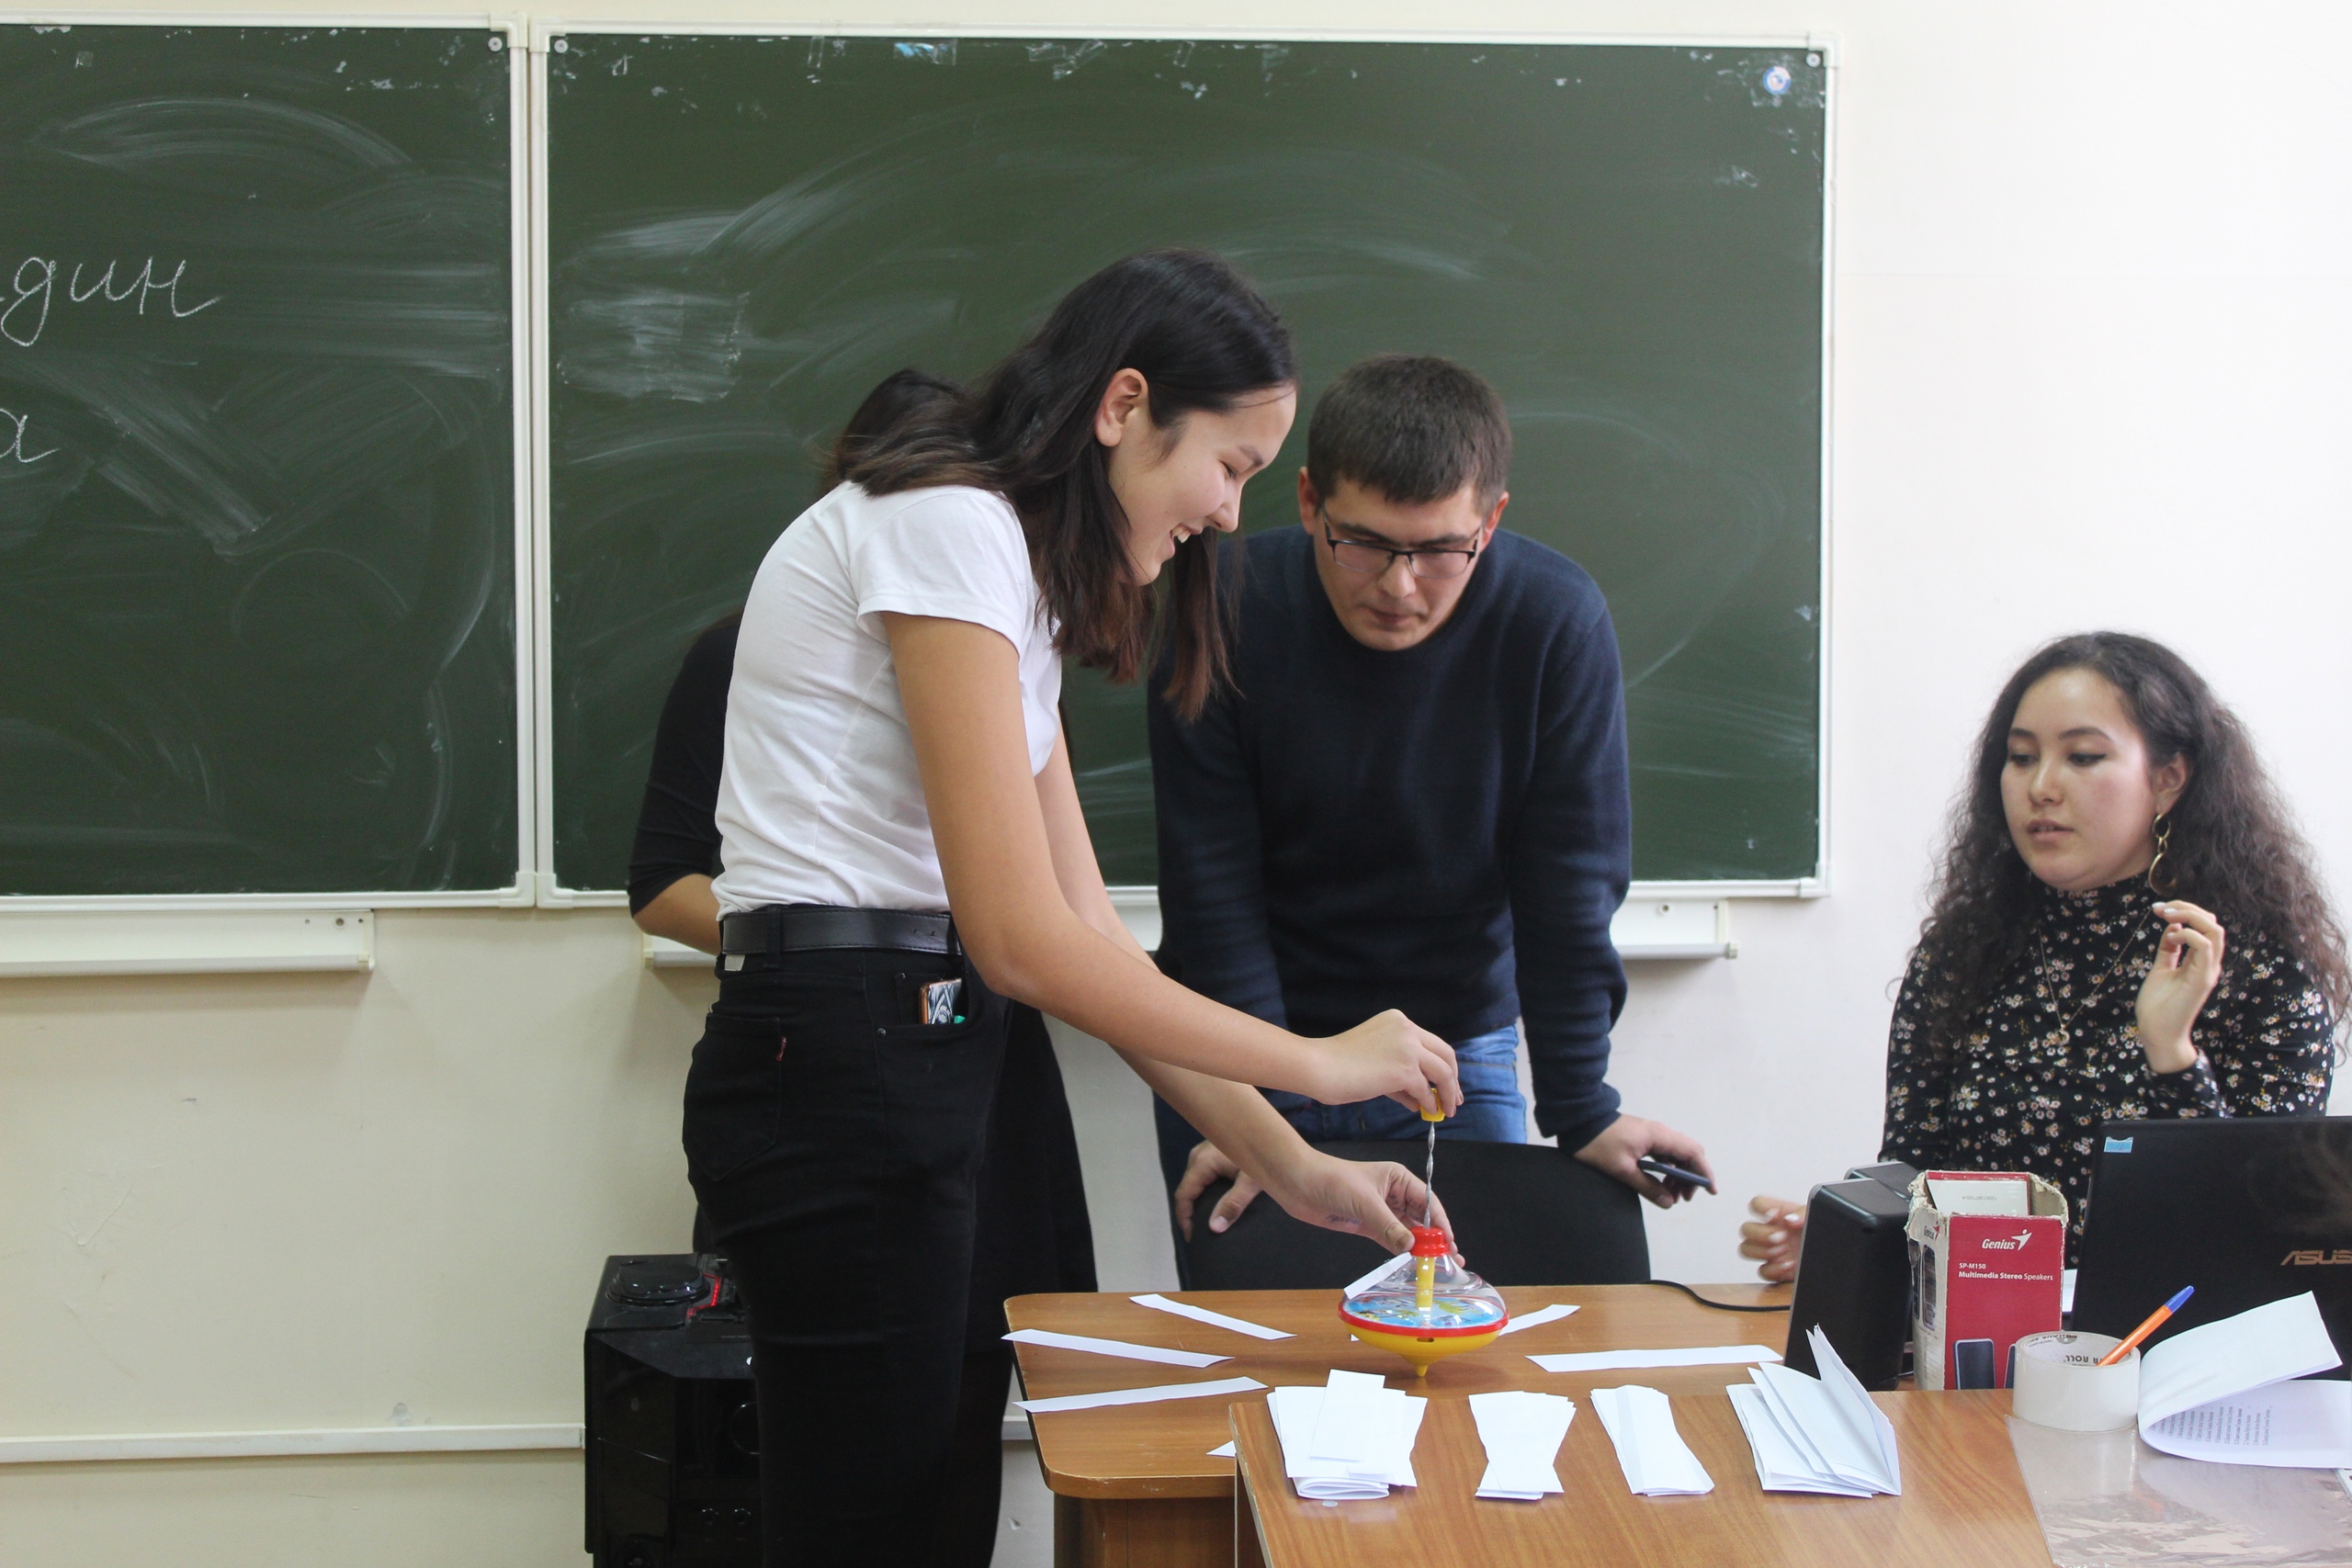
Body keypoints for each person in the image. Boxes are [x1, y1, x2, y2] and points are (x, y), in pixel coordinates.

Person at [684, 250, 1465, 1568]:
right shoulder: (949, 523)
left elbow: (1090, 936)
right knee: (872, 1530)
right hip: (837, 1057)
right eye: (1229, 464)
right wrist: (1322, 1060)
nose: (1230, 513)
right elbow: (1020, 937)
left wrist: (1295, 1162)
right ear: (1124, 405)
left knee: (944, 1510)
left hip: (929, 1050)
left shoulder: (1015, 581)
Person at [627, 379, 1087, 1568]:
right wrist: (842, 933)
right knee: (860, 1462)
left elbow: (1054, 911)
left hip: (984, 1045)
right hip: (860, 1043)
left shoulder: (1005, 648)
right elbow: (662, 877)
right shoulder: (759, 650)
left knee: (969, 1401)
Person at [1148, 354, 1714, 1244]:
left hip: (1449, 1053)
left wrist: (1582, 1109)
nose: (1397, 586)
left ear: (1491, 521)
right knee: (1264, 1318)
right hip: (1242, 1050)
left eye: (1442, 551)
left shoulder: (1553, 624)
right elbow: (1211, 887)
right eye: (1364, 543)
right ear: (1309, 501)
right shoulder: (1219, 608)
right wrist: (1266, 1127)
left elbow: (1569, 885)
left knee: (1459, 1312)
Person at [1741, 632, 2344, 1280]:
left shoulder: (2255, 972)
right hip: (1977, 1331)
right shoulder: (1963, 954)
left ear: (2168, 780)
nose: (2042, 786)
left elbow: (2257, 1238)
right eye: (2022, 757)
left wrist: (2173, 1056)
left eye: (2082, 756)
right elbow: (1914, 1179)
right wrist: (1851, 1243)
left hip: (2164, 1336)